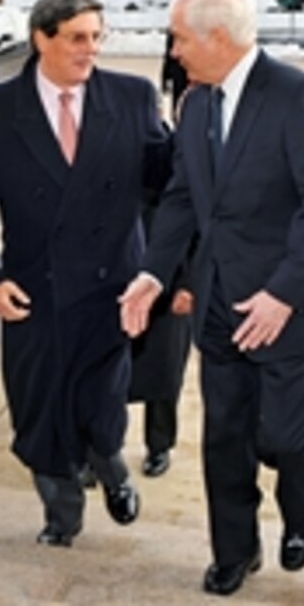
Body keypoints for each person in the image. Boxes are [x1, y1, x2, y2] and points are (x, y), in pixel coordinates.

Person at [119, 0, 304, 596]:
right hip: (220, 302)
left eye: (178, 38)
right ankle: (235, 550)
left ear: (217, 37)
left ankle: (300, 510)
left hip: (293, 306)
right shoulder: (197, 104)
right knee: (224, 435)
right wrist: (152, 273)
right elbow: (179, 200)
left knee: (281, 436)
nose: (173, 52)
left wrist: (283, 293)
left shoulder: (297, 96)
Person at [0, 0, 171, 547]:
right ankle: (61, 514)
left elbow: (169, 186)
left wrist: (167, 271)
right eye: (76, 38)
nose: (89, 50)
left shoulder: (133, 97)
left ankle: (111, 468)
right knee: (39, 408)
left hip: (113, 284)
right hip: (32, 289)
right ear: (41, 38)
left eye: (96, 37)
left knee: (100, 400)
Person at [126, 197, 193, 479]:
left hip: (171, 278)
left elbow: (200, 225)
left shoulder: (190, 159)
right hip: (122, 272)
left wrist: (189, 284)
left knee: (164, 369)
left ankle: (159, 445)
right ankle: (101, 448)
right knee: (106, 372)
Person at [161, 30, 188, 121]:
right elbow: (169, 56)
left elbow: (168, 56)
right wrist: (165, 78)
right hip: (178, 72)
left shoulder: (176, 30)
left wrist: (165, 78)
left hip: (182, 72)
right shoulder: (175, 30)